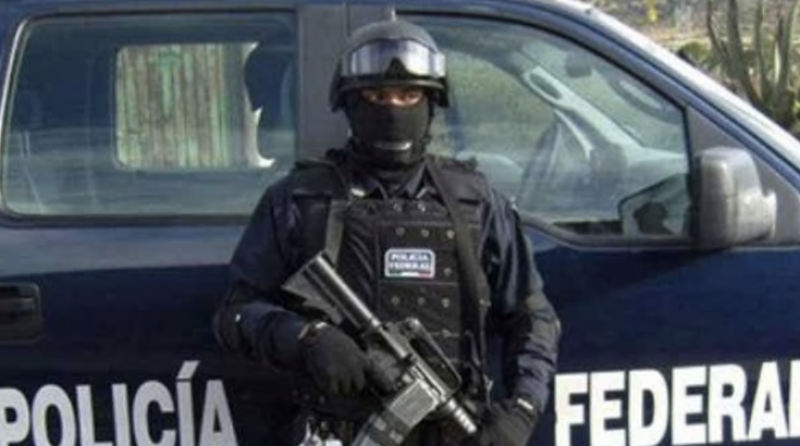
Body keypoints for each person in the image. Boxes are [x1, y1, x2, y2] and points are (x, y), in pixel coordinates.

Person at [214, 18, 560, 446]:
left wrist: (522, 410)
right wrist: (306, 337)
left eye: (408, 95)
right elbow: (235, 314)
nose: (392, 109)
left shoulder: (477, 204)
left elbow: (533, 318)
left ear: (431, 103)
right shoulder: (300, 201)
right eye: (376, 96)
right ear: (349, 103)